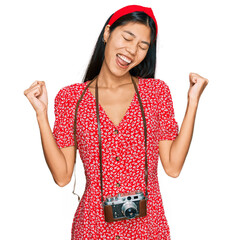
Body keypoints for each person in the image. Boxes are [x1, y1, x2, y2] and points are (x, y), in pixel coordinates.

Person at [24, 4, 209, 240]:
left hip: (147, 229)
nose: (132, 50)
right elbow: (62, 177)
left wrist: (192, 102)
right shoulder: (71, 98)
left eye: (143, 46)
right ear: (107, 33)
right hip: (93, 228)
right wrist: (41, 114)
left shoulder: (156, 92)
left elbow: (173, 167)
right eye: (127, 37)